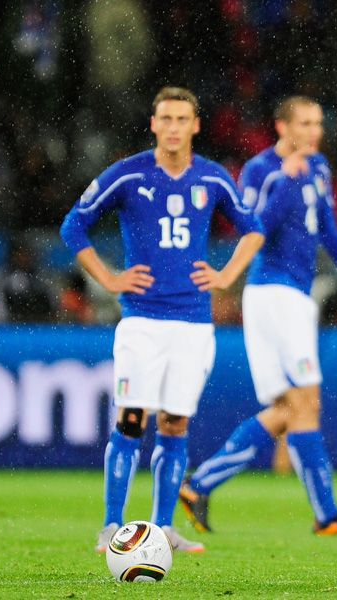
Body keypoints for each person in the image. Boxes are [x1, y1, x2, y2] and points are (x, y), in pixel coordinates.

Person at [60, 86, 264, 554]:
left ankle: (164, 527)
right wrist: (109, 279)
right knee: (132, 420)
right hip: (142, 322)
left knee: (174, 423)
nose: (173, 128)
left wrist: (227, 274)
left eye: (182, 120)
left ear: (195, 125)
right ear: (153, 124)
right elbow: (73, 224)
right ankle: (111, 527)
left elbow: (253, 229)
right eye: (165, 119)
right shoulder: (129, 174)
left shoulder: (212, 178)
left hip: (193, 323)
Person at [179, 96, 337, 536]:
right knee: (306, 401)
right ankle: (326, 514)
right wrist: (281, 184)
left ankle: (201, 484)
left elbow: (330, 233)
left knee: (290, 406)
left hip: (294, 298)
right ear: (282, 127)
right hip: (273, 294)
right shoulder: (260, 171)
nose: (314, 131)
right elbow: (250, 228)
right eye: (305, 123)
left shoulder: (319, 169)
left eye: (318, 123)